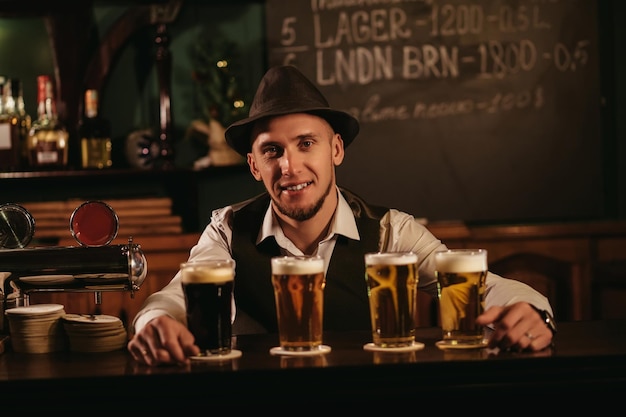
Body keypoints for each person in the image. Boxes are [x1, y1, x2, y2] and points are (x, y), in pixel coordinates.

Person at [127, 65, 556, 366]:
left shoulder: (391, 231)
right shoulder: (226, 229)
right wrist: (154, 321)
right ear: (255, 165)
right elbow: (174, 295)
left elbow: (489, 290)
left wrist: (532, 312)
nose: (289, 167)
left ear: (336, 149)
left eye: (306, 143)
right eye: (272, 151)